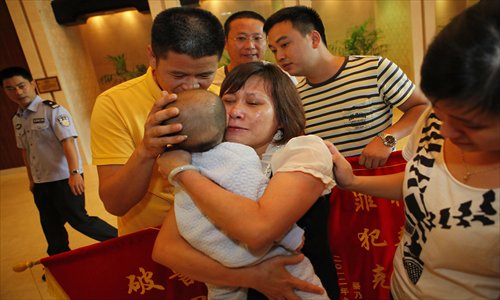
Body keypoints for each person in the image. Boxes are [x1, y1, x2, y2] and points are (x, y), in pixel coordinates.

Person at [327, 1, 500, 298]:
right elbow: (419, 180)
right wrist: (352, 182)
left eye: (468, 124)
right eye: (439, 110)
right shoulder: (435, 122)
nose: (445, 131)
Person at [152, 62, 337, 299]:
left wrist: (181, 171)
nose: (235, 111)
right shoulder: (210, 160)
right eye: (228, 101)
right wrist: (251, 277)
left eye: (253, 102)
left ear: (281, 116)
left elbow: (259, 231)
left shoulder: (304, 149)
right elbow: (166, 249)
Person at [90, 7, 225, 235]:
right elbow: (115, 204)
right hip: (150, 238)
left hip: (217, 233)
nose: (191, 86)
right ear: (152, 56)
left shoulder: (222, 98)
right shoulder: (113, 104)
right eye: (178, 75)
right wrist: (146, 150)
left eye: (204, 76)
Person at [264, 6, 429, 168]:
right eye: (273, 50)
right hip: (333, 192)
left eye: (284, 45)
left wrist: (386, 138)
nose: (279, 56)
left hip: (380, 185)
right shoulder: (296, 98)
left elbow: (422, 107)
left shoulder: (374, 68)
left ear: (314, 39)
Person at [1, 66, 117, 257]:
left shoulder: (52, 110)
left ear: (32, 84)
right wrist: (31, 179)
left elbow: (68, 142)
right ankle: (58, 261)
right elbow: (25, 151)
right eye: (10, 88)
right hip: (40, 182)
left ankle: (120, 240)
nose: (18, 92)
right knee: (50, 224)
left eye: (21, 85)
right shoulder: (17, 119)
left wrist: (74, 174)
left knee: (79, 220)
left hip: (64, 178)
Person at [212, 10, 298, 87]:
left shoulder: (282, 77)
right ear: (225, 43)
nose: (250, 46)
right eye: (241, 38)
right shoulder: (212, 82)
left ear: (267, 41)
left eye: (257, 38)